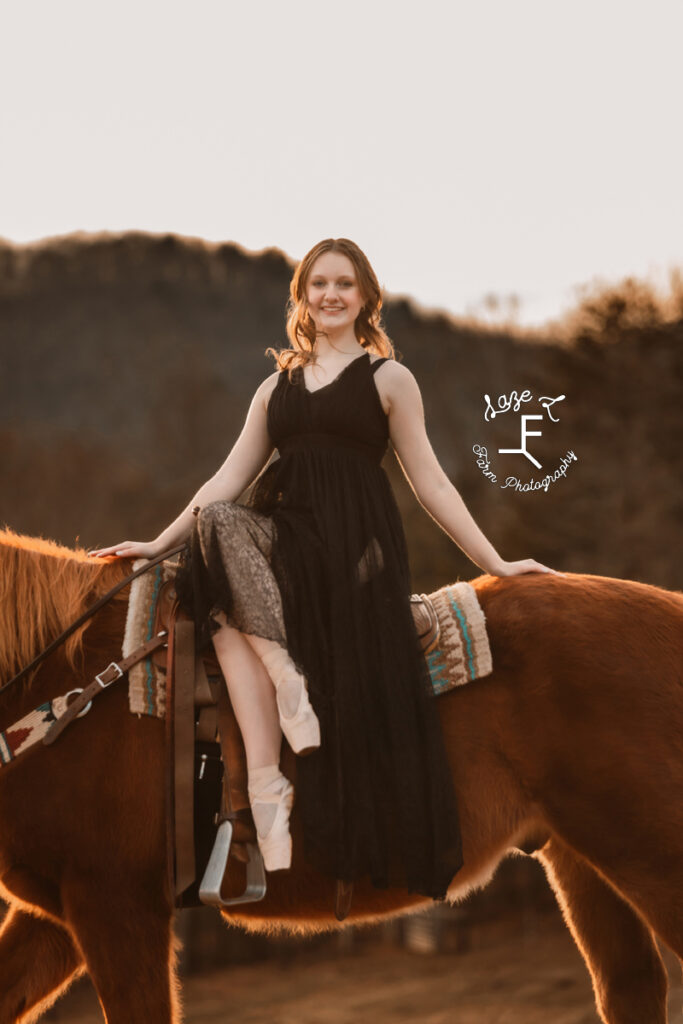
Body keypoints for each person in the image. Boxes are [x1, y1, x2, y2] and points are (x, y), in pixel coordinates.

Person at [90, 237, 562, 899]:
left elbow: (431, 485)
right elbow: (226, 479)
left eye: (344, 283)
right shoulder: (273, 388)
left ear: (365, 296)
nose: (330, 295)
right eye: (318, 284)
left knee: (220, 561)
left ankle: (276, 722)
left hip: (351, 554)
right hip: (284, 544)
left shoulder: (388, 380)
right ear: (302, 298)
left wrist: (495, 561)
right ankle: (266, 774)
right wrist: (155, 543)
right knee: (210, 538)